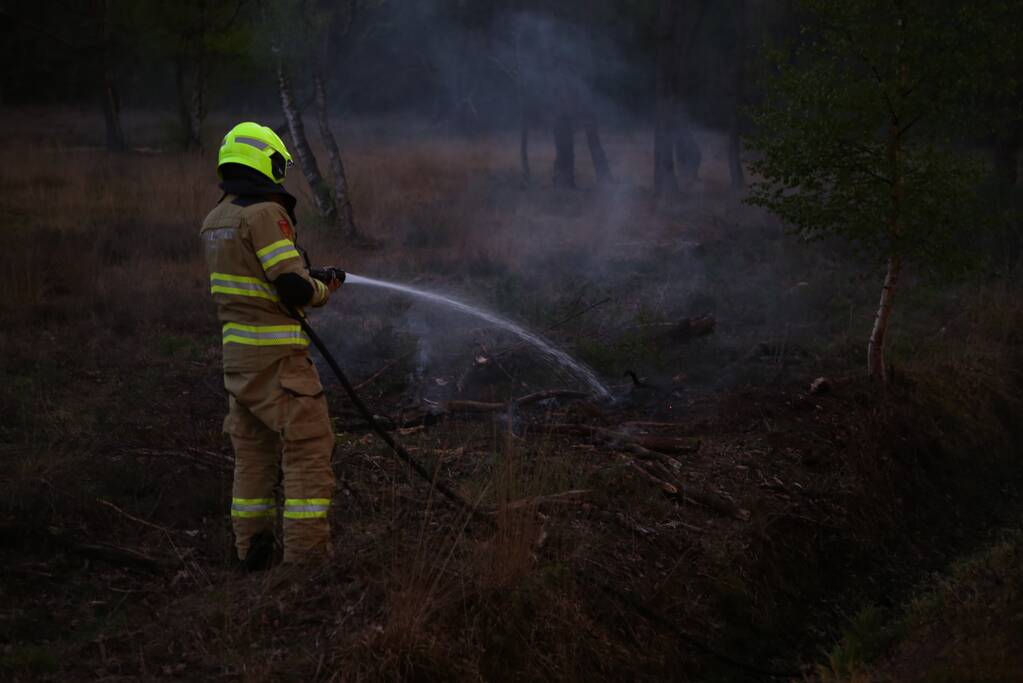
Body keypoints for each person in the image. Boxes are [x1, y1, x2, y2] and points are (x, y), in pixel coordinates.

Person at [200, 122, 343, 570]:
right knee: (307, 448)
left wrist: (304, 273)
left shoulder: (217, 219)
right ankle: (306, 563)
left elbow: (262, 278)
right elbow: (292, 291)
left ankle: (252, 551)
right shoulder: (264, 213)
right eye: (279, 164)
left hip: (239, 364)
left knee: (253, 458)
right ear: (264, 160)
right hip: (280, 364)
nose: (281, 174)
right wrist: (323, 287)